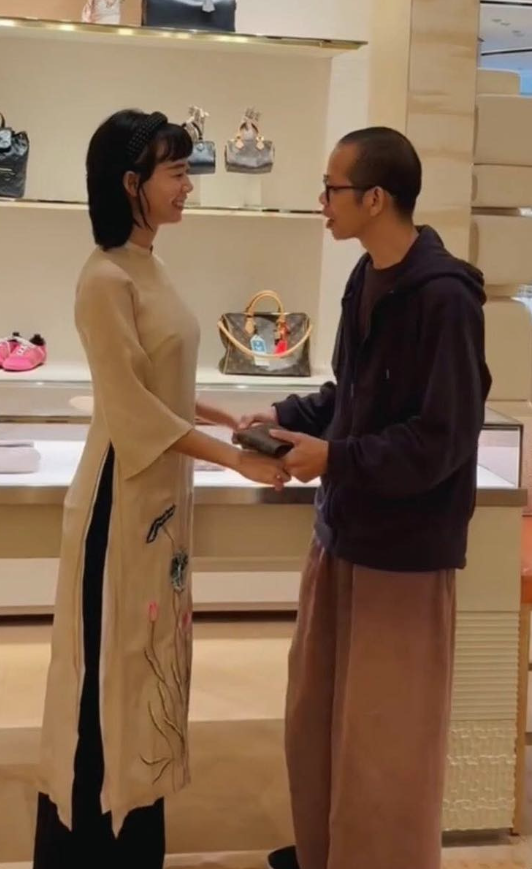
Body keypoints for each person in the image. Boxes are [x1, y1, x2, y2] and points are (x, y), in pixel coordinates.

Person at [33, 109, 289, 869]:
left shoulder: (150, 264)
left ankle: (137, 841)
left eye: (186, 170)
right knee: (106, 676)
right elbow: (133, 408)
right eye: (175, 172)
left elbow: (162, 383)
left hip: (159, 500)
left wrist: (229, 417)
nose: (188, 185)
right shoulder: (103, 278)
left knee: (150, 666)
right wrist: (232, 459)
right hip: (119, 502)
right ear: (130, 183)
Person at [238, 127, 492, 869]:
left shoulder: (446, 298)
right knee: (317, 722)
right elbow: (350, 395)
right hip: (343, 534)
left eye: (332, 189)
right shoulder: (365, 277)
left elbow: (442, 440)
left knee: (386, 745)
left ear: (375, 197)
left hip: (404, 557)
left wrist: (335, 458)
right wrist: (285, 416)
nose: (323, 202)